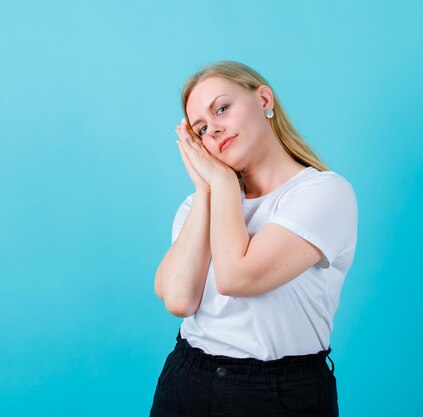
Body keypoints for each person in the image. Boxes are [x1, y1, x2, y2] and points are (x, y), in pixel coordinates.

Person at [150, 61, 358, 417]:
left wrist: (224, 185)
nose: (213, 129)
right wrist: (206, 189)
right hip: (188, 378)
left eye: (222, 108)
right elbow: (179, 300)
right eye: (200, 129)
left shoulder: (325, 193)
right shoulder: (198, 203)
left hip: (279, 394)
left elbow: (237, 276)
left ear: (263, 99)